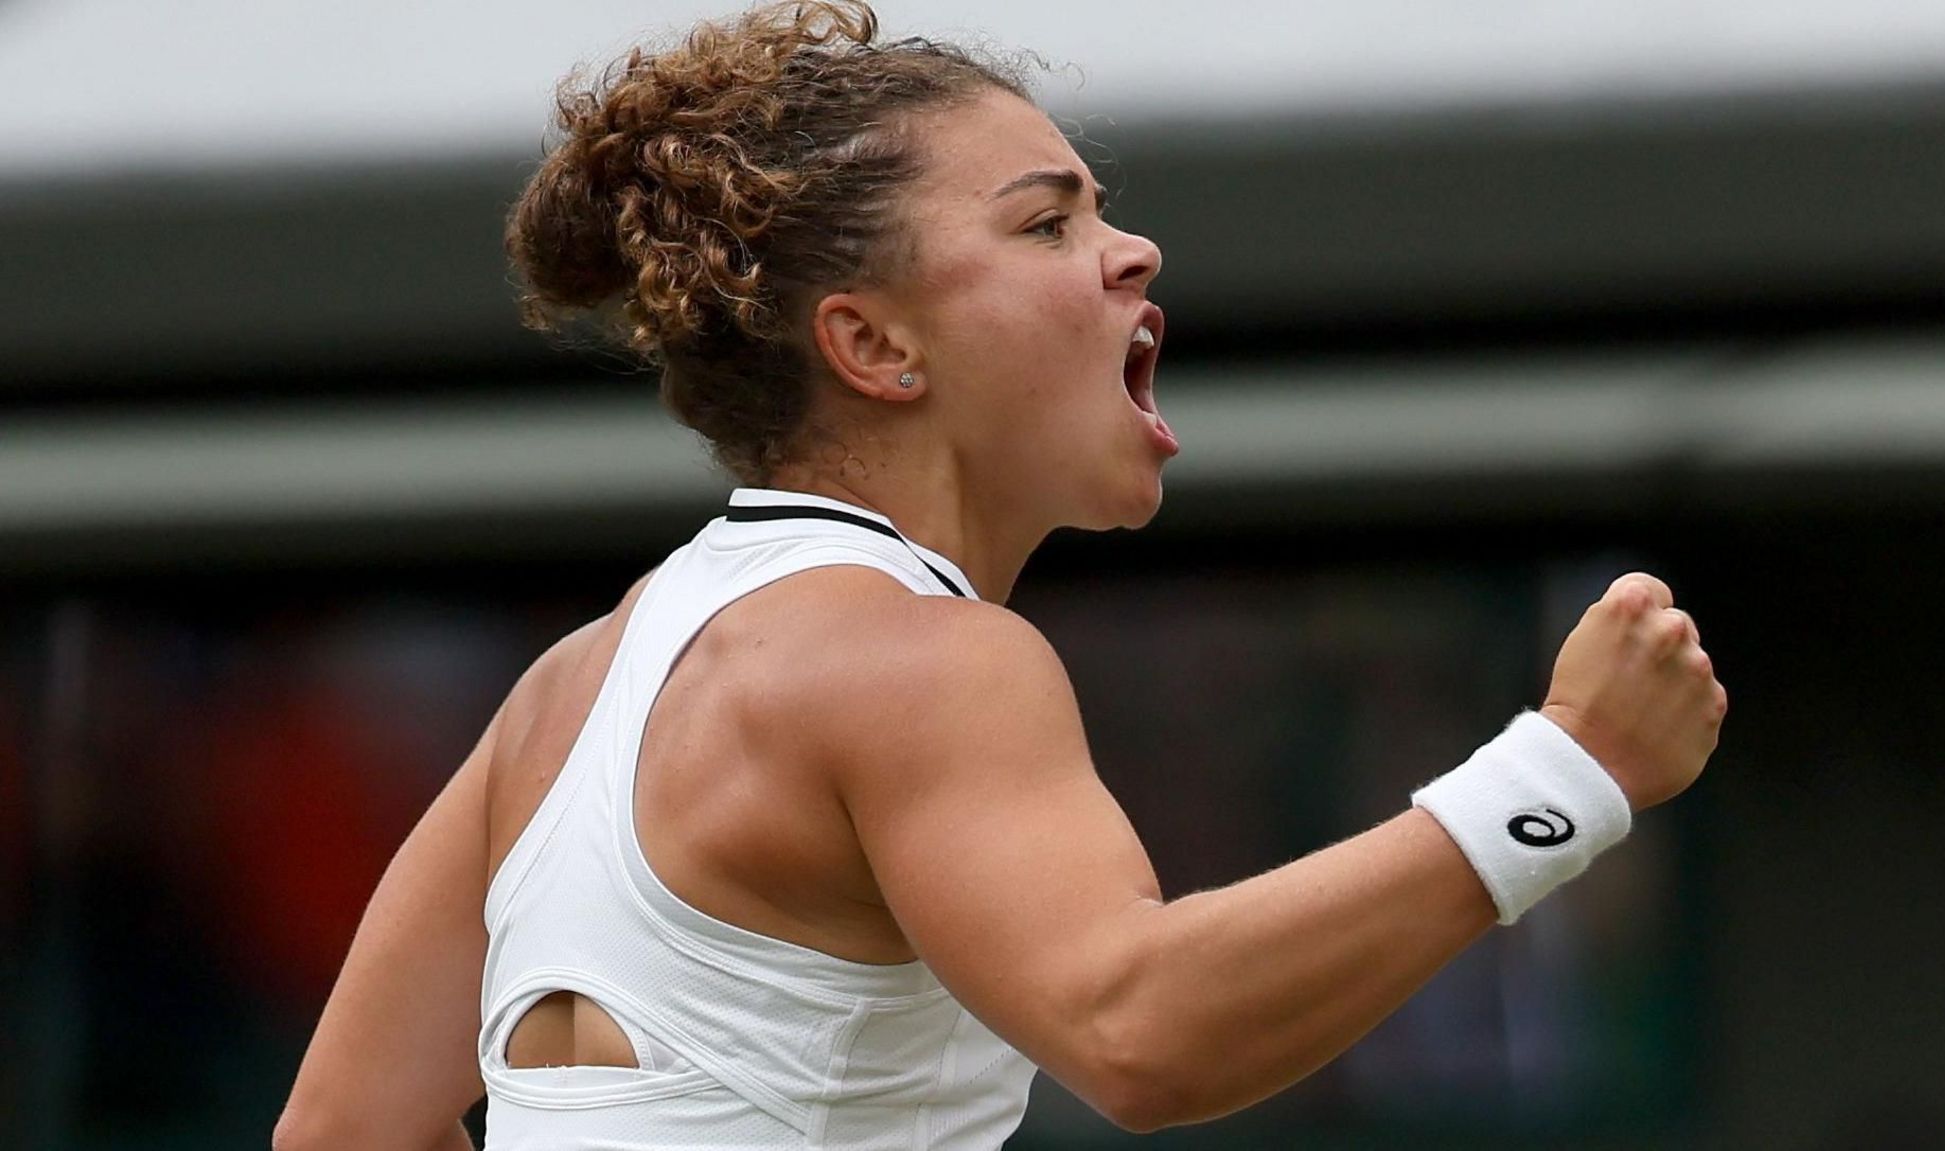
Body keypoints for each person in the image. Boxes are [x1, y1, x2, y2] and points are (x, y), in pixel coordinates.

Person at [274, 3, 1726, 1148]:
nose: (1132, 250)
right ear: (876, 348)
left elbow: (347, 1129)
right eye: (1047, 223)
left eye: (1099, 211)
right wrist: (1567, 774)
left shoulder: (564, 691)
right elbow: (1139, 1031)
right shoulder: (927, 657)